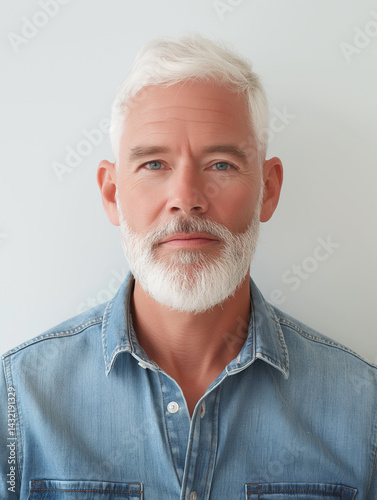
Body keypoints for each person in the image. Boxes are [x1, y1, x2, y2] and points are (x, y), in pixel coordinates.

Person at [1, 34, 376, 500]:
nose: (186, 200)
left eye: (220, 165)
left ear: (269, 189)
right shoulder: (18, 398)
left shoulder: (363, 408)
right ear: (112, 193)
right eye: (154, 163)